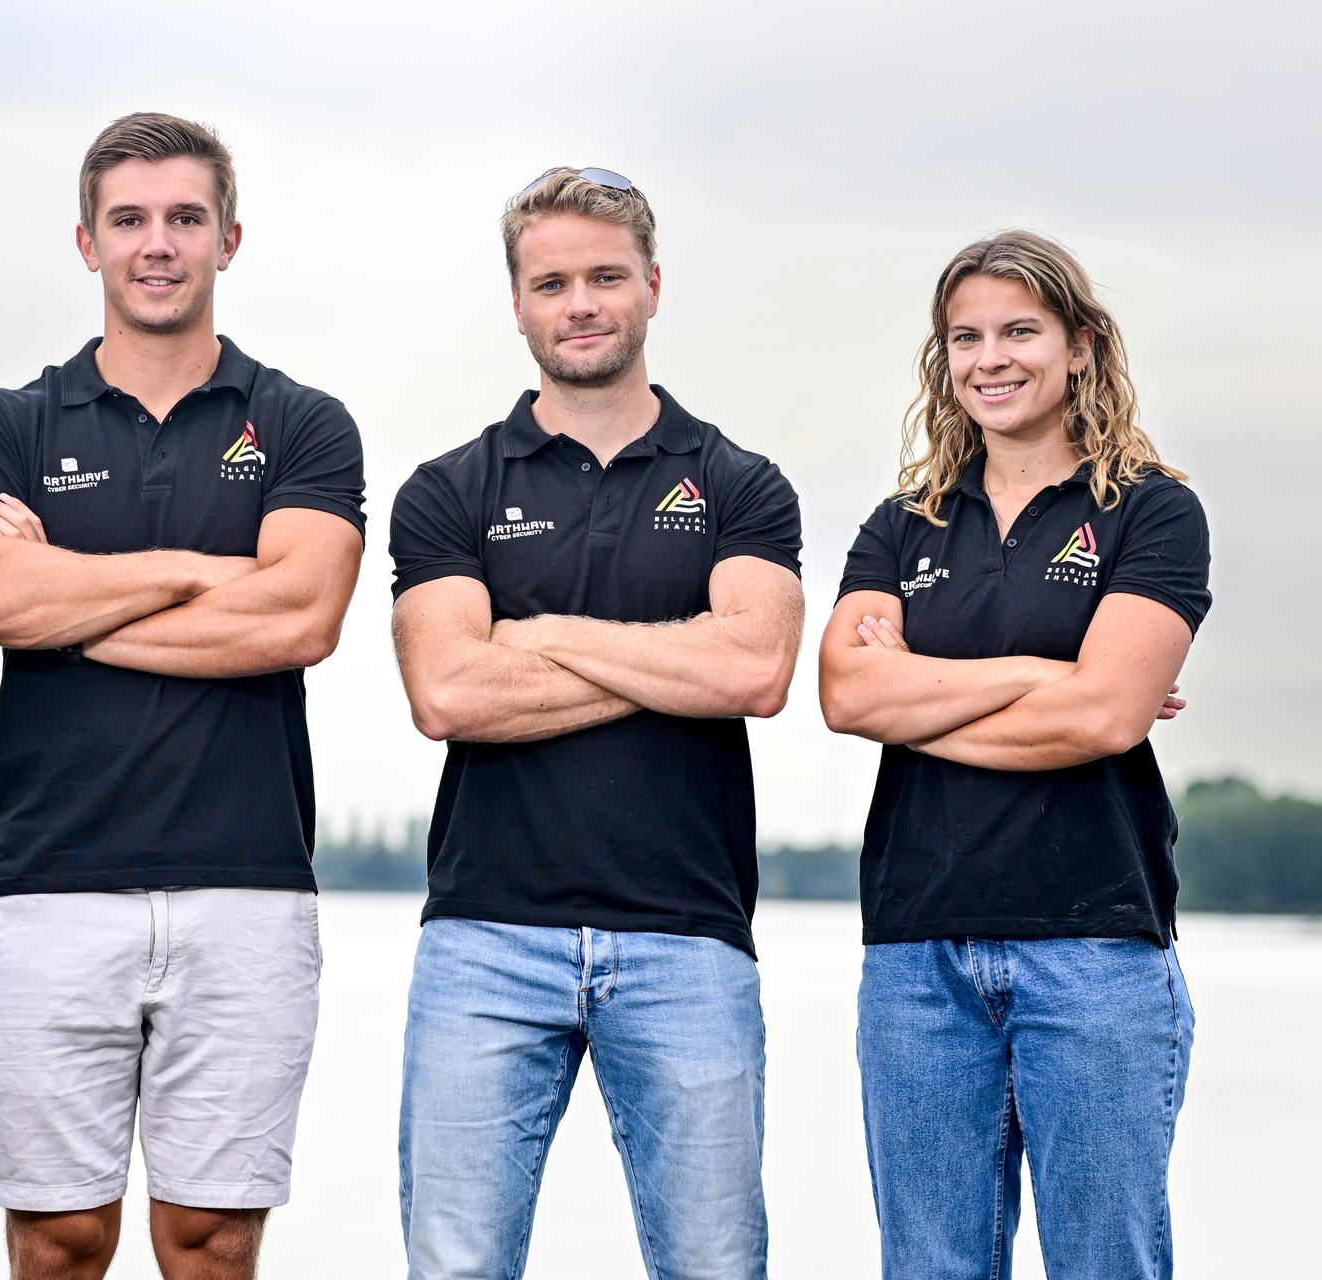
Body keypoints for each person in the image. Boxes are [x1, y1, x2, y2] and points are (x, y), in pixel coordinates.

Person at [0, 112, 365, 1280]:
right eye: (129, 219)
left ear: (229, 238)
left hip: (247, 887)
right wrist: (202, 571)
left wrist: (63, 595)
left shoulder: (302, 422)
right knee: (58, 1240)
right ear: (88, 242)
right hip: (47, 885)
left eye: (184, 217)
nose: (156, 243)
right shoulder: (8, 424)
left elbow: (298, 618)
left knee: (212, 1241)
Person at [387, 167, 804, 1280]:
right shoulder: (450, 489)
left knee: (714, 1266)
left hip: (688, 938)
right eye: (553, 283)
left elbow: (757, 669)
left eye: (606, 277)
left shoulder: (740, 484)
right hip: (485, 937)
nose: (581, 303)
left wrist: (540, 636)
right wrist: (677, 657)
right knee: (456, 1267)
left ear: (653, 285)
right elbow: (448, 694)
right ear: (518, 303)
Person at [818, 230, 1210, 1280]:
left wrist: (921, 695)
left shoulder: (1152, 511)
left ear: (1080, 347)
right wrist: (1046, 670)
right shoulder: (901, 526)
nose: (990, 359)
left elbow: (1103, 721)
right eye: (966, 337)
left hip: (1095, 949)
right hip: (916, 953)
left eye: (1019, 331)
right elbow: (847, 695)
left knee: (1105, 1263)